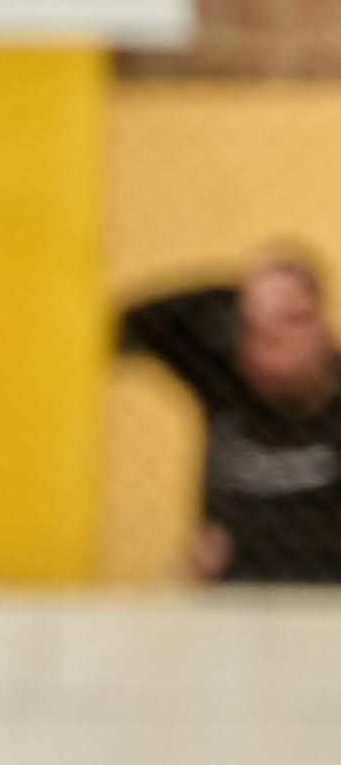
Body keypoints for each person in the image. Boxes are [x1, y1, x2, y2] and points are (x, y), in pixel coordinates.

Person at [116, 250, 341, 584]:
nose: (266, 355)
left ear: (318, 324)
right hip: (233, 597)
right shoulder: (224, 381)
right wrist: (238, 291)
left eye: (286, 328)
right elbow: (129, 324)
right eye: (251, 330)